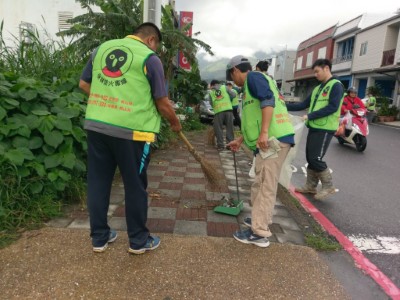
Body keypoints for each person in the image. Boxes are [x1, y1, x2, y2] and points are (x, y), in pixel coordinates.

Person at [79, 22, 181, 254]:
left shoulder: (101, 49)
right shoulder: (149, 57)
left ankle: (99, 239)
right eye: (156, 46)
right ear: (151, 40)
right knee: (135, 185)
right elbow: (162, 102)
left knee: (98, 182)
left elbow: (84, 84)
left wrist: (109, 101)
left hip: (97, 127)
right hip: (132, 133)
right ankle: (138, 241)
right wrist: (175, 122)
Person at [226, 55, 295, 247]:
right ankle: (259, 218)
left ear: (236, 71)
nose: (233, 81)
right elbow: (255, 116)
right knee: (260, 183)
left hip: (273, 140)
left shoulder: (253, 78)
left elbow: (268, 101)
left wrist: (264, 132)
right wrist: (241, 139)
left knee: (265, 184)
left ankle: (259, 232)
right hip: (270, 141)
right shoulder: (252, 84)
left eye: (232, 77)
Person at [286, 59, 344, 201]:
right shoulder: (318, 88)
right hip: (314, 127)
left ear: (326, 68)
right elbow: (302, 104)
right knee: (310, 157)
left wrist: (310, 115)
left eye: (317, 71)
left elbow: (333, 107)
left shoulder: (336, 85)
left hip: (325, 128)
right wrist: (283, 105)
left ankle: (328, 186)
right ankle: (310, 186)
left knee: (315, 158)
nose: (316, 75)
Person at [207, 79, 236, 151]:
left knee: (218, 129)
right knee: (230, 128)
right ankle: (230, 145)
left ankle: (220, 145)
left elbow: (211, 103)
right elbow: (234, 95)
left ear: (212, 85)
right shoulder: (225, 87)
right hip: (228, 110)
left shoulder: (211, 93)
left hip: (218, 111)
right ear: (219, 83)